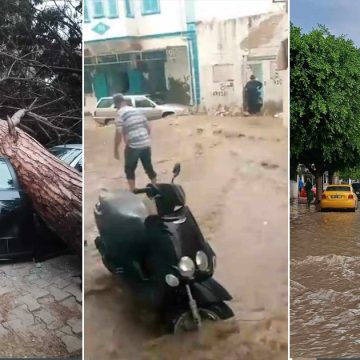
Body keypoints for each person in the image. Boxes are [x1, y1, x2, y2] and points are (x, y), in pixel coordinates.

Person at [113, 93, 157, 192]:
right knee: (148, 166)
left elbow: (118, 134)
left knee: (129, 168)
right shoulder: (137, 110)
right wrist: (143, 138)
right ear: (124, 101)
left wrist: (115, 149)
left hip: (134, 146)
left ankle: (133, 190)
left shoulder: (120, 114)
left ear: (116, 104)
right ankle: (155, 186)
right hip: (146, 143)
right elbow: (148, 128)